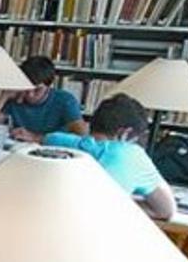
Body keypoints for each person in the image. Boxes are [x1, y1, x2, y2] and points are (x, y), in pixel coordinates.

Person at [45, 93, 177, 220]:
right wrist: (123, 202)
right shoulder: (131, 154)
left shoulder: (54, 139)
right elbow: (166, 210)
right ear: (125, 133)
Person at [0, 56, 89, 142]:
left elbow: (82, 136)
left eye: (37, 90)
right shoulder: (16, 97)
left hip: (52, 153)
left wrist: (35, 137)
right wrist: (4, 96)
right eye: (26, 88)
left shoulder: (65, 100)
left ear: (49, 86)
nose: (30, 94)